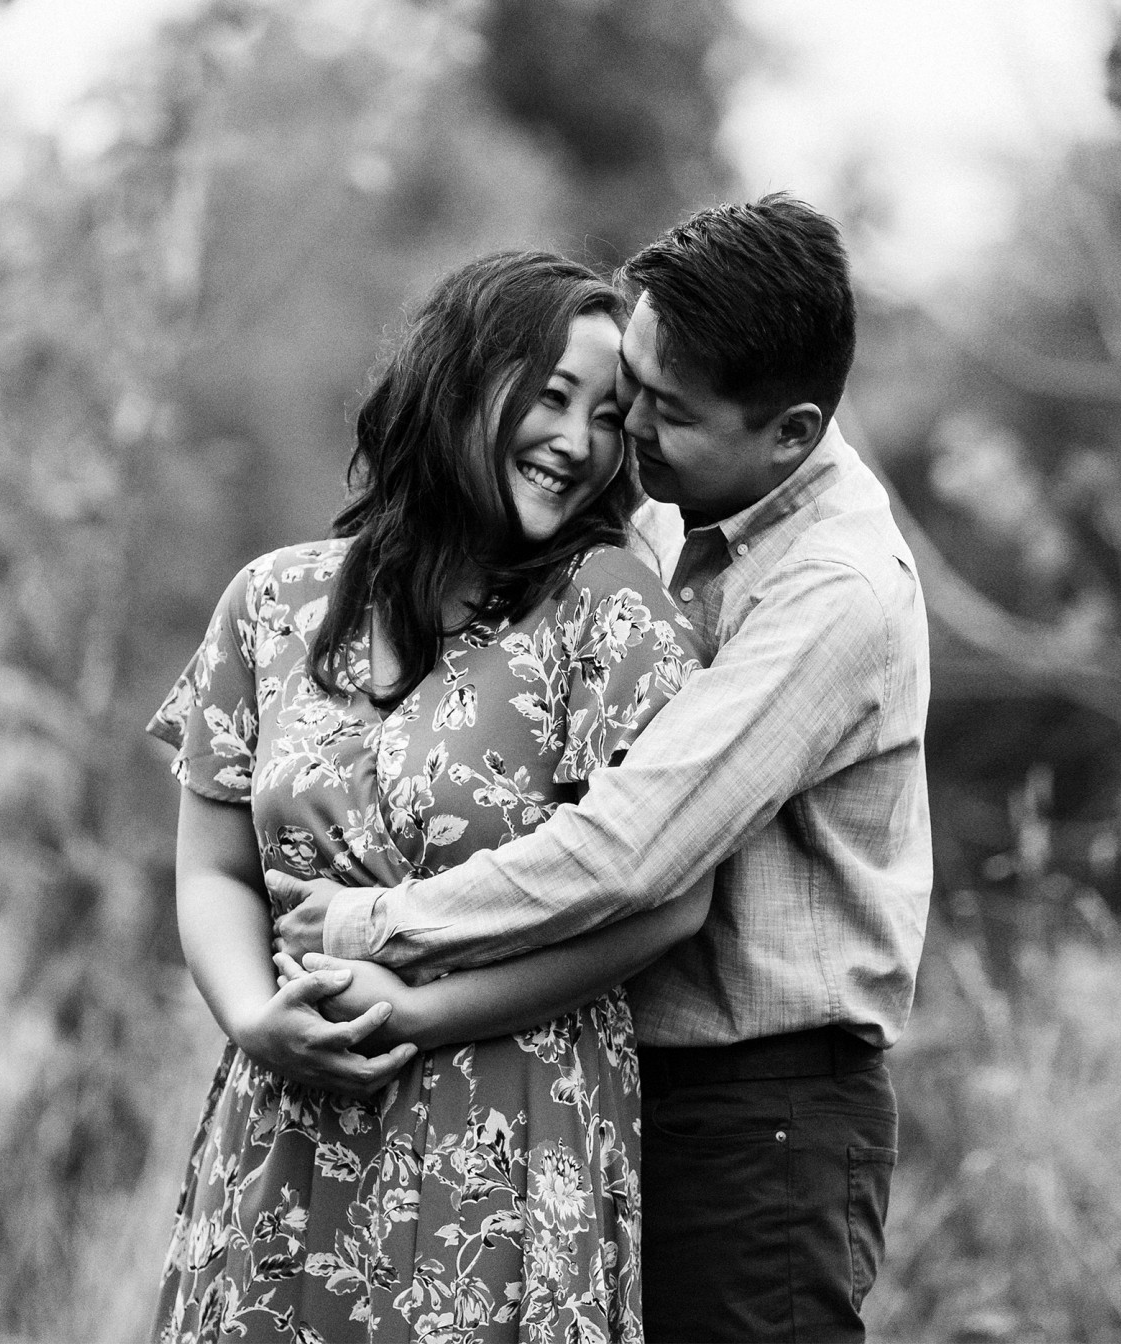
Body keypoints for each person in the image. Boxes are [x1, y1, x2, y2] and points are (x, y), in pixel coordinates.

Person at [274, 194, 933, 1342]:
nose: (624, 431)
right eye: (631, 384)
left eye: (663, 413)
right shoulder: (680, 513)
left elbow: (632, 848)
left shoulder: (836, 593)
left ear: (789, 432)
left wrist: (376, 926)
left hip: (759, 1117)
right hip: (613, 1086)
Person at [145, 250, 710, 1344]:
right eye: (551, 397)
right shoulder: (272, 602)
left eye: (608, 418)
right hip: (289, 1117)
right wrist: (257, 1022)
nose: (578, 443)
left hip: (507, 1128)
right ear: (458, 382)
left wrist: (418, 1013)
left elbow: (672, 902)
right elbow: (213, 869)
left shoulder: (610, 611)